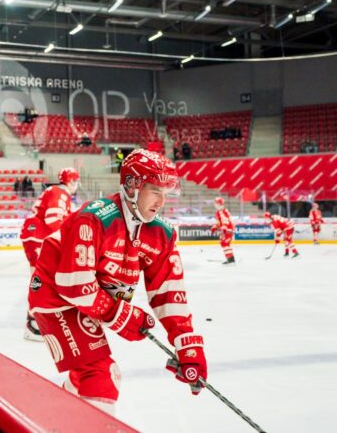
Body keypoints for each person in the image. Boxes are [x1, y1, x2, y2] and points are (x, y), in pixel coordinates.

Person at [27, 149, 207, 415]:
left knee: (90, 377)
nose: (162, 201)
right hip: (56, 297)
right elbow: (74, 283)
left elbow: (169, 292)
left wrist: (187, 343)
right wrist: (121, 315)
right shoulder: (97, 217)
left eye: (166, 193)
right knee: (100, 376)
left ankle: (53, 416)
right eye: (155, 190)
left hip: (92, 301)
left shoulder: (161, 233)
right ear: (132, 186)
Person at [19, 167, 79, 341]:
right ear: (72, 181)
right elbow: (53, 219)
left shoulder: (56, 192)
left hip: (35, 234)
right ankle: (34, 325)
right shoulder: (60, 193)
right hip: (38, 235)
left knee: (42, 279)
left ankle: (38, 322)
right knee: (41, 280)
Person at [211, 196, 235, 264]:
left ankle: (230, 258)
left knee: (225, 243)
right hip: (225, 230)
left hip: (228, 230)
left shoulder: (223, 211)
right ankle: (230, 258)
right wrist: (215, 226)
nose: (214, 204)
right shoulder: (218, 212)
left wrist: (224, 228)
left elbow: (225, 221)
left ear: (219, 204)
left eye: (215, 203)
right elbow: (219, 222)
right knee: (224, 243)